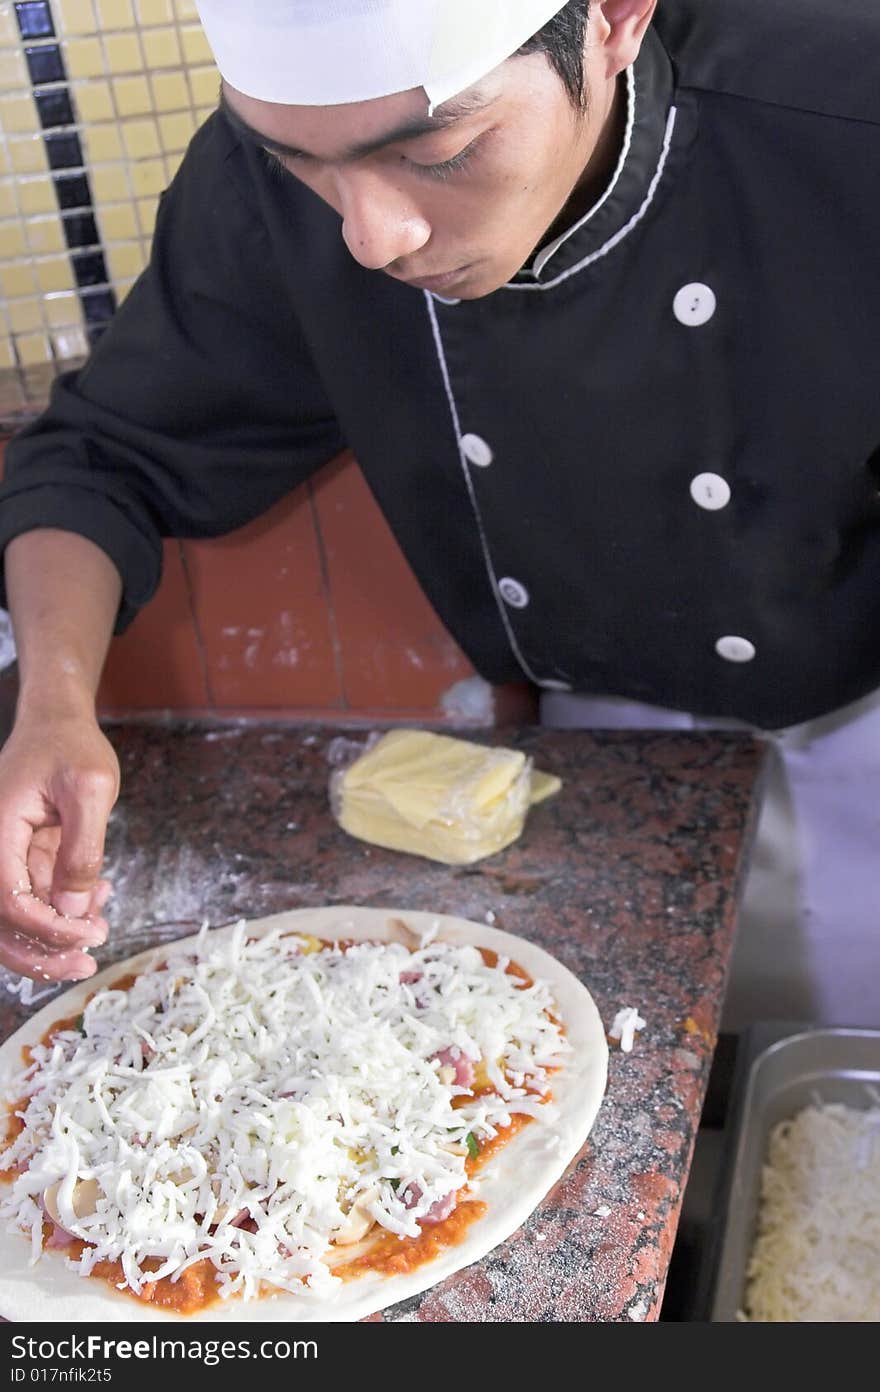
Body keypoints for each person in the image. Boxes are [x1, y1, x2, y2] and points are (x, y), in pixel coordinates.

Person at [0, 0, 878, 1019]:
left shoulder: (836, 120)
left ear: (613, 20)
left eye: (440, 149)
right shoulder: (273, 173)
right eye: (301, 162)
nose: (371, 236)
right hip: (591, 754)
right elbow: (101, 455)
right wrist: (53, 711)